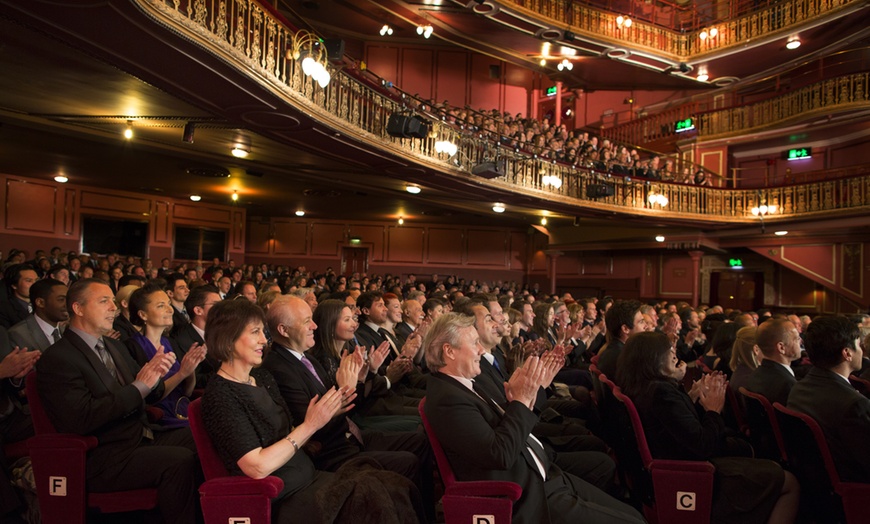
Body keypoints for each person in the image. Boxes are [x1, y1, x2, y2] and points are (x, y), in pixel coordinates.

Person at [422, 312, 646, 524]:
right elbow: (499, 454)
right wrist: (520, 402)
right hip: (529, 496)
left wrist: (528, 394)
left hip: (545, 476)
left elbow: (502, 427)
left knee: (631, 512)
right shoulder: (446, 399)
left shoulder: (462, 385)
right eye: (474, 343)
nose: (481, 350)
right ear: (449, 351)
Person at [36, 278, 199, 524]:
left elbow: (150, 394)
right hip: (106, 454)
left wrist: (155, 377)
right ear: (78, 309)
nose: (113, 307)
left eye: (113, 301)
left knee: (203, 435)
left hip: (141, 435)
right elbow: (81, 418)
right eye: (104, 301)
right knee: (179, 461)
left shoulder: (114, 345)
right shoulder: (58, 358)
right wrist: (139, 386)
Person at [616, 331, 798, 524]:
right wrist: (713, 410)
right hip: (693, 473)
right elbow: (703, 445)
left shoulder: (644, 385)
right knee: (790, 483)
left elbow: (677, 427)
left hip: (682, 462)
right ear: (652, 359)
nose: (674, 355)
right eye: (669, 351)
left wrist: (691, 399)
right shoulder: (660, 392)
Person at [788, 315, 870, 482]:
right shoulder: (853, 404)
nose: (861, 350)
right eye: (858, 345)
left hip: (816, 482)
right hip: (854, 488)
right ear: (847, 353)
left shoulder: (800, 387)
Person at [126, 282, 207, 427]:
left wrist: (190, 369)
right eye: (161, 306)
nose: (170, 310)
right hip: (160, 416)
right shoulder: (133, 346)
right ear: (143, 314)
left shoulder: (170, 342)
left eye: (169, 304)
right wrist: (181, 373)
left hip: (183, 408)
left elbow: (187, 392)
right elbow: (150, 397)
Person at [745, 318, 801, 406]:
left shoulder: (755, 374)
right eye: (796, 339)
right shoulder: (787, 385)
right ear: (781, 348)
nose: (800, 341)